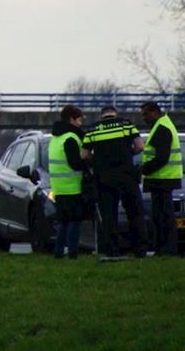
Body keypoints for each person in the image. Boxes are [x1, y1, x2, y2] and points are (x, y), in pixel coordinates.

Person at [81, 106, 147, 259]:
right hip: (126, 175)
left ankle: (112, 249)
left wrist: (97, 159)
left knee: (109, 215)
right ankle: (140, 249)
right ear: (115, 113)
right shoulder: (126, 125)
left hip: (104, 177)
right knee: (135, 212)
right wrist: (127, 153)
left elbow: (84, 155)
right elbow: (140, 146)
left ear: (102, 115)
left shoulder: (93, 129)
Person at [139, 101, 182, 256]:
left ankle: (166, 250)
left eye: (146, 114)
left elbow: (161, 158)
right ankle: (164, 249)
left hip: (162, 179)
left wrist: (142, 170)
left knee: (163, 217)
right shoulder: (162, 125)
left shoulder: (161, 129)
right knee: (161, 216)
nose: (144, 118)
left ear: (155, 112)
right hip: (163, 179)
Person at [49, 105, 86, 259]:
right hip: (72, 186)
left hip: (58, 188)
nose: (81, 123)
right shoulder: (70, 138)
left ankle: (58, 252)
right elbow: (75, 164)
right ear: (71, 119)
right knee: (74, 221)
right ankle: (72, 253)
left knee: (63, 222)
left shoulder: (55, 138)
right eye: (79, 120)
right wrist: (88, 161)